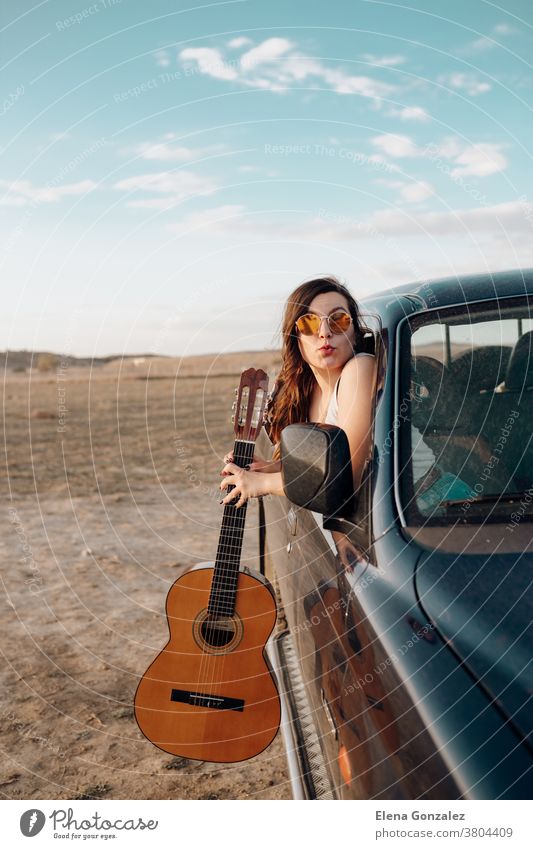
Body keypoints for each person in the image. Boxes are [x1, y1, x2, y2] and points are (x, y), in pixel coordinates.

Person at [219, 275, 377, 508]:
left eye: (338, 320)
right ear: (296, 337)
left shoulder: (360, 368)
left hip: (424, 516)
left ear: (354, 331)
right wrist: (270, 468)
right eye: (309, 323)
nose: (324, 332)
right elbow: (324, 465)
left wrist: (264, 483)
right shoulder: (306, 391)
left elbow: (346, 478)